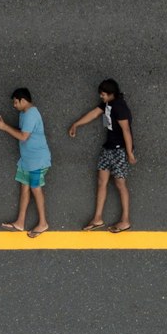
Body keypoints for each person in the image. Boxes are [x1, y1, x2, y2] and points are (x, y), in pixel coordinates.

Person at [68, 78, 136, 231]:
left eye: (103, 94)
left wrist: (130, 153)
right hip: (108, 148)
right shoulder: (108, 104)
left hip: (120, 150)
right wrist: (76, 124)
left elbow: (126, 130)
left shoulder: (120, 107)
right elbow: (93, 114)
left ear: (112, 94)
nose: (101, 97)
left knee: (120, 183)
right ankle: (97, 218)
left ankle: (125, 220)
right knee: (101, 181)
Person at [0, 88, 51, 237]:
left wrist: (4, 127)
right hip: (27, 160)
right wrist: (5, 126)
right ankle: (20, 222)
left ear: (23, 100)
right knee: (25, 188)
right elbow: (21, 132)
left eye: (15, 102)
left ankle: (43, 223)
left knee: (35, 188)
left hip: (37, 161)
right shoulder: (24, 114)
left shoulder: (31, 114)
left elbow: (23, 137)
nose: (14, 105)